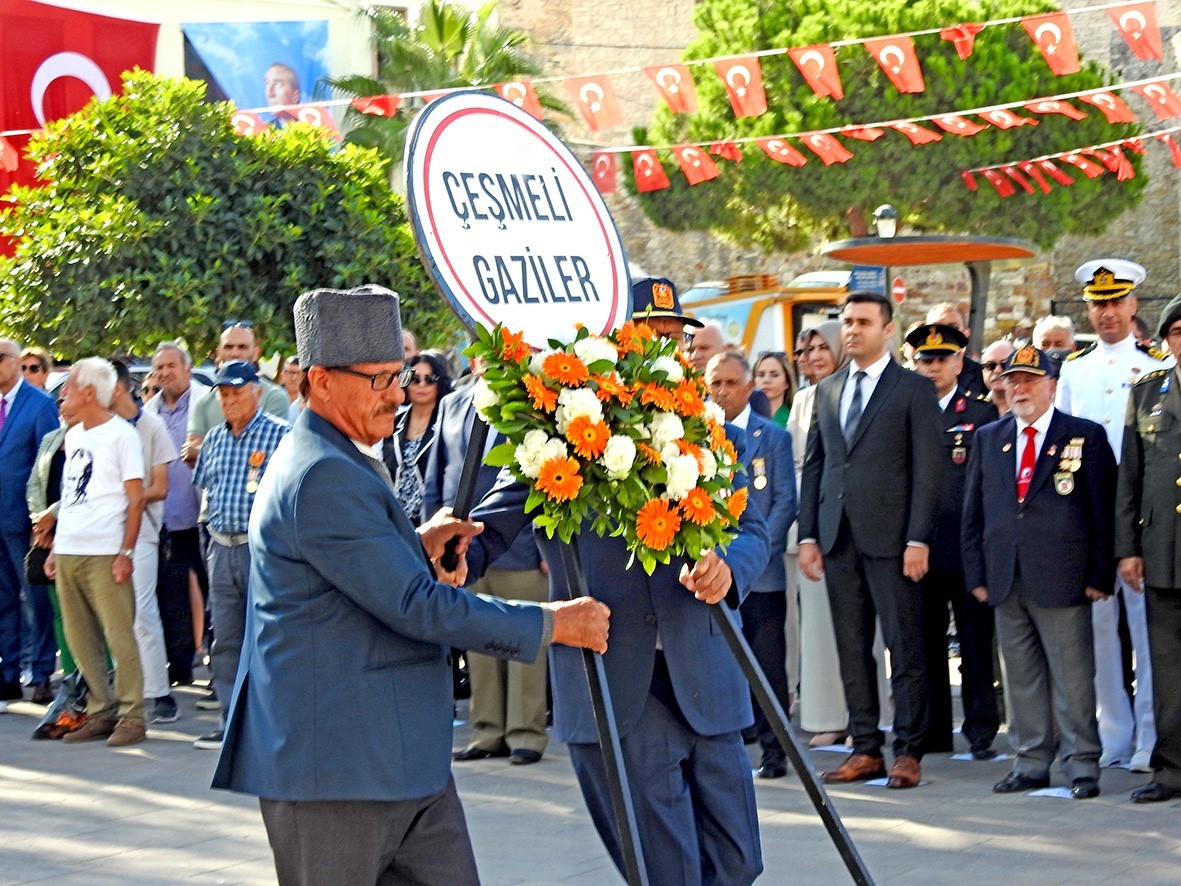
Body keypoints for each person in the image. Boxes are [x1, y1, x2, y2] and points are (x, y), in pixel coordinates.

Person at [212, 284, 609, 885]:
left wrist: (411, 544)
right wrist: (554, 622)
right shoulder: (320, 473)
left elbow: (355, 575)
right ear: (320, 381)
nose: (398, 396)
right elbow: (416, 605)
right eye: (381, 380)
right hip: (339, 771)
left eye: (401, 376)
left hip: (396, 762)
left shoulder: (333, 455)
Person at [466, 275, 770, 885]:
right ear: (614, 344)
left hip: (705, 673)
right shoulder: (559, 434)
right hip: (617, 683)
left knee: (739, 862)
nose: (663, 346)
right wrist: (443, 552)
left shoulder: (716, 436)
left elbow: (753, 533)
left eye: (672, 335)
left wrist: (726, 567)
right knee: (669, 870)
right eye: (647, 334)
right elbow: (487, 529)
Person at [799, 291, 944, 789]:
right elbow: (817, 465)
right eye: (847, 322)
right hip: (839, 538)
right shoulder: (829, 388)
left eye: (863, 321)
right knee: (851, 647)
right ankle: (865, 748)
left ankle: (908, 750)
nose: (853, 330)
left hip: (894, 540)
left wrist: (919, 538)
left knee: (904, 646)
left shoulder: (912, 389)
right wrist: (810, 535)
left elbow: (928, 470)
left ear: (888, 329)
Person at [962, 345, 1115, 799]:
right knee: (1021, 677)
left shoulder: (1084, 435)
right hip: (1006, 576)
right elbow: (974, 513)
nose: (1020, 387)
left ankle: (1082, 763)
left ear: (1052, 384)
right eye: (1013, 379)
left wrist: (1099, 574)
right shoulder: (990, 437)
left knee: (1072, 677)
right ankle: (1030, 761)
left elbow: (1100, 512)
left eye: (1031, 379)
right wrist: (977, 575)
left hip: (1064, 575)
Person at [1055, 259, 1171, 773]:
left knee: (1149, 633)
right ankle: (1112, 733)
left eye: (1115, 302)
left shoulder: (1154, 366)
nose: (1106, 313)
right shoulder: (1074, 369)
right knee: (1100, 631)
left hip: (1144, 513)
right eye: (1097, 304)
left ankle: (1151, 736)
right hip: (1090, 513)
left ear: (1133, 306)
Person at [424, 380, 551, 765]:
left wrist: (547, 547)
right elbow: (438, 474)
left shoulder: (530, 394)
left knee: (526, 641)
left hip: (522, 548)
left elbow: (544, 472)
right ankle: (487, 730)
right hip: (460, 548)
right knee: (477, 643)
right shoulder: (452, 403)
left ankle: (526, 734)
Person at [905, 323, 1000, 759]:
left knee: (976, 640)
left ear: (960, 361)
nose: (934, 366)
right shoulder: (904, 409)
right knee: (924, 642)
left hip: (966, 546)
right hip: (919, 545)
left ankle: (981, 727)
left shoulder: (979, 412)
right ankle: (934, 730)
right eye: (925, 359)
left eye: (943, 358)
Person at [45, 358, 146, 747]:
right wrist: (56, 547)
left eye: (69, 385)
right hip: (70, 548)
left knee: (119, 636)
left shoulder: (123, 435)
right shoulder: (74, 436)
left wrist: (126, 551)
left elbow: (136, 499)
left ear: (90, 392)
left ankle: (133, 716)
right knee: (78, 638)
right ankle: (100, 711)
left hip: (106, 551)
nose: (64, 392)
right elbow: (71, 495)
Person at [706, 350, 796, 779]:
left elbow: (782, 502)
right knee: (721, 664)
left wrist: (752, 554)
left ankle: (775, 749)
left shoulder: (772, 438)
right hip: (710, 575)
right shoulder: (696, 437)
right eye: (714, 384)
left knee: (766, 664)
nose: (722, 392)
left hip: (761, 576)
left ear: (748, 388)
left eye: (730, 383)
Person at [192, 361, 289, 751]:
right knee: (226, 639)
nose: (230, 400)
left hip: (261, 550)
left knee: (267, 637)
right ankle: (230, 719)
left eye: (237, 392)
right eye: (224, 394)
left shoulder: (282, 435)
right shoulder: (213, 438)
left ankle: (270, 723)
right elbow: (205, 491)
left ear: (257, 392)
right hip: (221, 546)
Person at [1114, 294, 1181, 803]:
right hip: (1163, 550)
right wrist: (1128, 549)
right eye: (1176, 332)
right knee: (1166, 667)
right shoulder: (1146, 393)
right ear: (1165, 340)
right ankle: (1172, 769)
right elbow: (1129, 479)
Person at [109, 360, 180, 725]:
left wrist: (126, 497)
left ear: (117, 387)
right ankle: (123, 692)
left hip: (143, 533)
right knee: (113, 617)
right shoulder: (100, 427)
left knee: (142, 613)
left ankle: (159, 692)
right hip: (104, 533)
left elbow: (161, 486)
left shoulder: (150, 426)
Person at [142, 342, 209, 688]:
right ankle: (179, 666)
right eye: (159, 368)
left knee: (212, 594)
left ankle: (217, 671)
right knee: (171, 596)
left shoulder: (206, 401)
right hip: (164, 519)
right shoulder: (149, 410)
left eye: (171, 366)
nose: (165, 373)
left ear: (187, 368)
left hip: (200, 516)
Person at [0, 338, 59, 712]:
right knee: (3, 599)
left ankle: (41, 674)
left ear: (16, 361)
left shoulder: (39, 404)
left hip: (26, 520)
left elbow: (48, 464)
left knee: (35, 597)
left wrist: (45, 518)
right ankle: (7, 675)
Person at [183, 322, 289, 468]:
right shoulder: (203, 402)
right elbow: (190, 455)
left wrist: (206, 451)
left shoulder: (275, 397)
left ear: (256, 353)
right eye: (228, 347)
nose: (235, 353)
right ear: (218, 352)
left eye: (242, 347)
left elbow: (270, 452)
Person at [385, 351, 452, 526]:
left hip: (432, 520)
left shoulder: (448, 425)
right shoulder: (391, 423)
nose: (421, 385)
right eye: (415, 379)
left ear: (439, 384)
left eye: (429, 379)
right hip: (393, 520)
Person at [925, 302, 985, 396]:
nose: (945, 333)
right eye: (937, 327)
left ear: (966, 334)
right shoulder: (911, 376)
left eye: (953, 327)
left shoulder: (980, 375)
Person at [754, 350, 795, 428]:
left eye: (774, 375)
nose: (766, 380)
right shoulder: (743, 418)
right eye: (761, 375)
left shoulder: (795, 421)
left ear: (787, 382)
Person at [981, 339, 1016, 415]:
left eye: (1004, 364)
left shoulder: (1031, 409)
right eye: (990, 366)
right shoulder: (972, 409)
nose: (997, 370)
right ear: (983, 371)